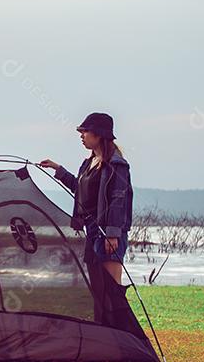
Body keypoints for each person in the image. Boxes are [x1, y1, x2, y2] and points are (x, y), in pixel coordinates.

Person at [39, 112, 134, 325]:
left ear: (99, 134)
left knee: (112, 290)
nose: (81, 135)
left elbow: (118, 200)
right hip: (91, 233)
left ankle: (120, 335)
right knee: (97, 289)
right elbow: (80, 192)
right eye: (81, 132)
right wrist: (58, 169)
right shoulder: (88, 164)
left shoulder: (116, 165)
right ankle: (103, 331)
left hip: (109, 235)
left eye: (85, 131)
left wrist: (112, 234)